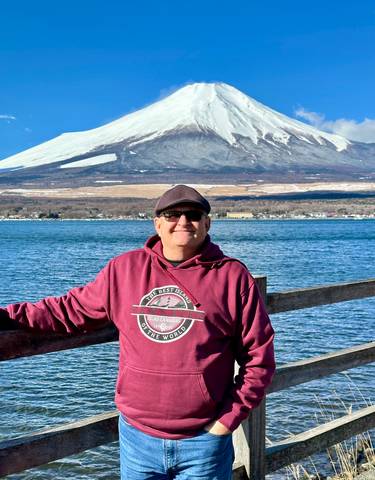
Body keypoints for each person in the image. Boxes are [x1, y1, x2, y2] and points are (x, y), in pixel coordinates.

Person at [0, 185, 275, 480]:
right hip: (137, 439)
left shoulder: (232, 276)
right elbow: (67, 310)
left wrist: (226, 421)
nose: (183, 222)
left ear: (207, 223)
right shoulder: (124, 270)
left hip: (204, 441)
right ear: (157, 223)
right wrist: (5, 316)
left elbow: (259, 359)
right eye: (172, 214)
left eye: (193, 214)